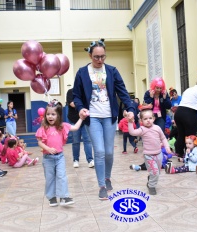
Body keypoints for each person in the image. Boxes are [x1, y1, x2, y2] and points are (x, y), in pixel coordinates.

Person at [72, 38, 135, 200]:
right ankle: (101, 185)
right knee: (98, 151)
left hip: (109, 116)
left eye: (103, 57)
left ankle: (107, 177)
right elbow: (76, 96)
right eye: (96, 57)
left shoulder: (112, 71)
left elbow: (122, 92)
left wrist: (130, 108)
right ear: (90, 56)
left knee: (108, 152)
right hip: (92, 117)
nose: (100, 60)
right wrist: (80, 108)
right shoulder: (82, 72)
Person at [36, 99, 85, 207]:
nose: (50, 116)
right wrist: (47, 148)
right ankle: (52, 197)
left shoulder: (62, 126)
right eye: (48, 114)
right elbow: (39, 142)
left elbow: (76, 127)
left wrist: (81, 118)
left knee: (62, 176)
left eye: (53, 114)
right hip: (48, 158)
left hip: (59, 157)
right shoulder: (44, 128)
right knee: (49, 178)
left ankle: (64, 197)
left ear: (58, 115)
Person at [128, 109, 171, 195]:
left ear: (153, 119)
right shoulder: (142, 129)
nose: (148, 120)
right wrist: (130, 122)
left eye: (150, 118)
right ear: (141, 121)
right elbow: (132, 132)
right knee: (155, 172)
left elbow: (163, 138)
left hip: (159, 154)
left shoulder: (157, 128)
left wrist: (167, 146)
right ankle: (151, 186)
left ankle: (151, 177)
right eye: (145, 119)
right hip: (148, 156)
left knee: (157, 172)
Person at [66, 88, 94, 168]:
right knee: (76, 141)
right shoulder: (70, 91)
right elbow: (71, 103)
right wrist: (82, 107)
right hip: (74, 120)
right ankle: (76, 160)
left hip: (85, 119)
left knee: (87, 140)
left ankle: (90, 160)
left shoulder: (85, 91)